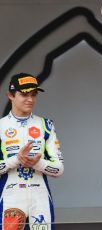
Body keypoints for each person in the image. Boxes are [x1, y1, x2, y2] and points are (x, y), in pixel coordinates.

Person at [0, 73, 64, 229]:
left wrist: (38, 163)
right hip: (10, 195)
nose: (30, 99)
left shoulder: (46, 125)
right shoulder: (1, 126)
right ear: (10, 95)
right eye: (24, 94)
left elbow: (59, 170)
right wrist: (16, 160)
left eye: (33, 94)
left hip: (40, 195)